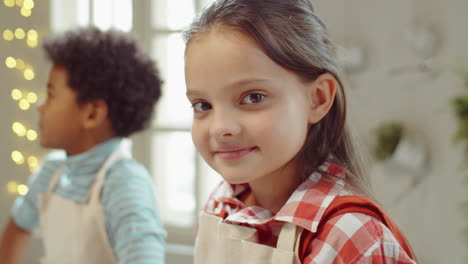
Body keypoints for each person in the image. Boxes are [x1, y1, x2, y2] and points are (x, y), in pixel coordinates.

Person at [183, 0, 417, 263]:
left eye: (253, 97)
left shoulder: (354, 236)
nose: (221, 127)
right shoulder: (220, 206)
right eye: (203, 105)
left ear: (317, 99)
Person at [0, 26, 166, 264]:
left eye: (51, 94)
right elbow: (18, 227)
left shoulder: (125, 185)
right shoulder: (52, 171)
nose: (40, 106)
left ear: (92, 113)